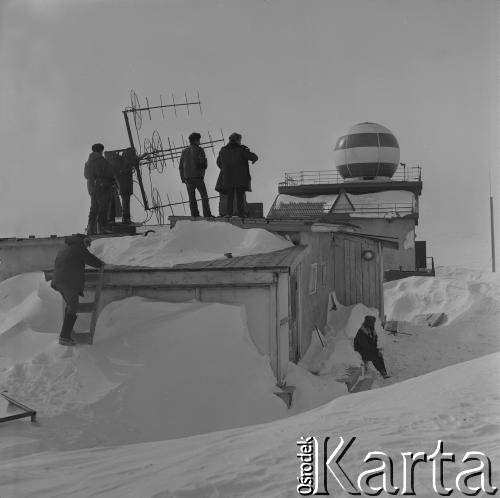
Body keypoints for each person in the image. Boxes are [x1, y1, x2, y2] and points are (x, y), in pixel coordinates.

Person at [51, 234, 105, 346]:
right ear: (84, 240)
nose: (88, 246)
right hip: (68, 281)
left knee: (71, 306)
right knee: (73, 306)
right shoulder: (78, 246)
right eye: (88, 243)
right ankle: (64, 337)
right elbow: (90, 258)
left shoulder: (67, 246)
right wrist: (103, 265)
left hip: (59, 280)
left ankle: (66, 335)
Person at [216, 133, 258, 218]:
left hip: (228, 178)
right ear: (237, 140)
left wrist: (226, 169)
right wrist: (254, 159)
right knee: (240, 197)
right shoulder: (241, 149)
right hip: (240, 178)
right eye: (240, 140)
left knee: (230, 196)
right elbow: (253, 156)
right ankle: (241, 214)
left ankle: (229, 214)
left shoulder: (223, 150)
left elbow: (218, 163)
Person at [84, 143, 116, 234]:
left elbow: (86, 175)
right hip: (102, 187)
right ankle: (102, 228)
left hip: (91, 188)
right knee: (103, 207)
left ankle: (91, 228)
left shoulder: (88, 162)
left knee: (94, 208)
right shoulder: (101, 160)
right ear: (100, 151)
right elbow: (110, 172)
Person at [179, 132, 213, 218]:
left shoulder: (184, 151)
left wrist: (183, 178)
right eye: (199, 140)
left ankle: (194, 215)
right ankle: (207, 214)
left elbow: (180, 167)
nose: (200, 142)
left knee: (192, 198)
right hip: (197, 177)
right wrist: (204, 166)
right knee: (204, 196)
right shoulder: (199, 150)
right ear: (195, 140)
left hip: (187, 178)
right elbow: (202, 164)